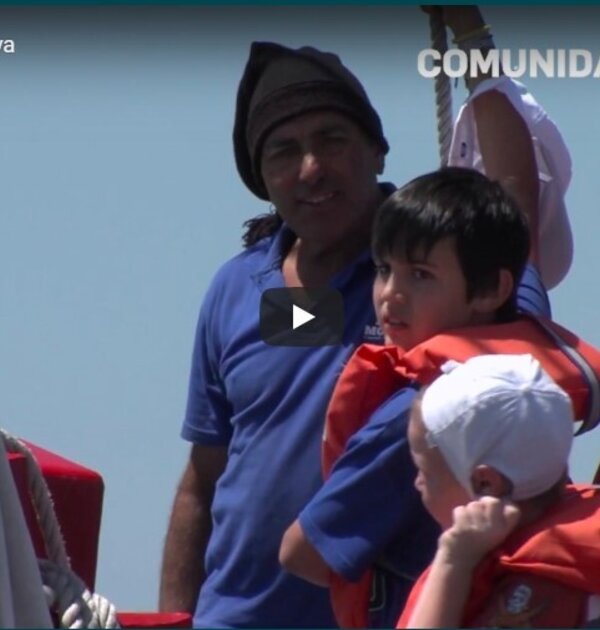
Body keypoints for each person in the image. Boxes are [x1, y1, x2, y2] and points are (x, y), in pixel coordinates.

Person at [159, 6, 573, 627]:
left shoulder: (448, 277)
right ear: (261, 178)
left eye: (332, 139)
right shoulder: (237, 289)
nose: (312, 168)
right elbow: (203, 477)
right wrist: (172, 620)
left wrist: (471, 38)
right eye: (283, 151)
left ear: (377, 150)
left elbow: (514, 198)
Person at [279, 167, 600, 627]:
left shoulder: (415, 418)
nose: (391, 294)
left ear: (491, 289)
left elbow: (302, 554)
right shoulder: (527, 364)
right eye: (384, 270)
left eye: (420, 275)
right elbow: (521, 206)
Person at [397, 353, 600, 628]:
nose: (417, 482)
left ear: (485, 483)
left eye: (425, 471)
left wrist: (452, 562)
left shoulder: (541, 587)